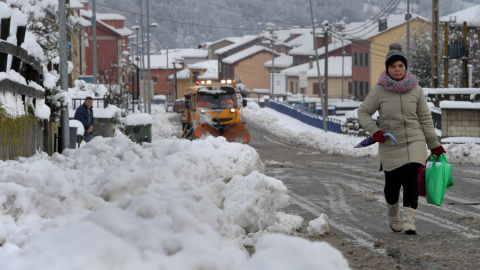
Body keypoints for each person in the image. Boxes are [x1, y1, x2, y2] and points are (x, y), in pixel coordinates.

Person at [357, 43, 446, 235]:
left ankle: (409, 221)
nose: (397, 69)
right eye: (393, 66)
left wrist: (434, 144)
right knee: (392, 185)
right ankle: (394, 214)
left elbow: (425, 119)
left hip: (414, 141)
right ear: (388, 69)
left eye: (400, 66)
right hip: (390, 143)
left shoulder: (416, 90)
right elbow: (363, 112)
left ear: (405, 68)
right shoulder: (379, 91)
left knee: (411, 179)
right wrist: (376, 132)